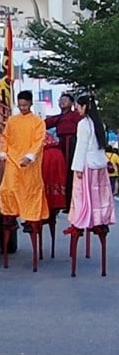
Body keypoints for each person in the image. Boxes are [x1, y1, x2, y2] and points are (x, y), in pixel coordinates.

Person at [0, 91, 49, 264]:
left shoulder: (37, 122)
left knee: (30, 192)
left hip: (30, 164)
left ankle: (29, 219)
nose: (22, 108)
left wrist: (30, 156)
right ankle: (11, 215)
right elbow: (5, 138)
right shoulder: (12, 120)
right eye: (20, 105)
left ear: (31, 104)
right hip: (13, 160)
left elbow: (39, 141)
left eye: (25, 105)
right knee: (7, 189)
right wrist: (3, 154)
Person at [66, 95, 116, 274]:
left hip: (86, 164)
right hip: (99, 164)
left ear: (85, 106)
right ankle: (99, 219)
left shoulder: (83, 124)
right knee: (99, 195)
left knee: (82, 195)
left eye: (79, 106)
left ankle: (82, 218)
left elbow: (81, 147)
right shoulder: (98, 123)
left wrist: (77, 168)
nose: (77, 110)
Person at [45, 93, 80, 217]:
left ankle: (71, 202)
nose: (62, 102)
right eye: (60, 100)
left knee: (71, 172)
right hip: (62, 144)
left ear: (71, 103)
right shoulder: (58, 118)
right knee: (61, 173)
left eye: (65, 100)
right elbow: (44, 123)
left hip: (72, 143)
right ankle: (62, 202)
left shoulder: (76, 116)